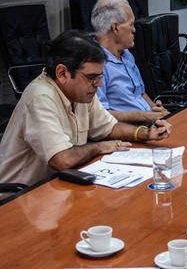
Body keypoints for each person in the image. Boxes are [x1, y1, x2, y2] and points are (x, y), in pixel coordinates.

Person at [0, 30, 172, 188]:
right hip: (20, 197)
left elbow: (108, 127)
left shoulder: (82, 91)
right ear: (62, 73)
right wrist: (98, 147)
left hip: (59, 184)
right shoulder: (40, 97)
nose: (99, 84)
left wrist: (144, 133)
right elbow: (62, 159)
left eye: (100, 76)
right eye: (91, 77)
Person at [91, 0, 168, 123]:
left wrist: (155, 109)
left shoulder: (126, 55)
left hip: (149, 123)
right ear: (115, 27)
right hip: (128, 132)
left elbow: (140, 93)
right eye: (131, 24)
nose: (134, 29)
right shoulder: (94, 63)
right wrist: (145, 116)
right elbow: (101, 115)